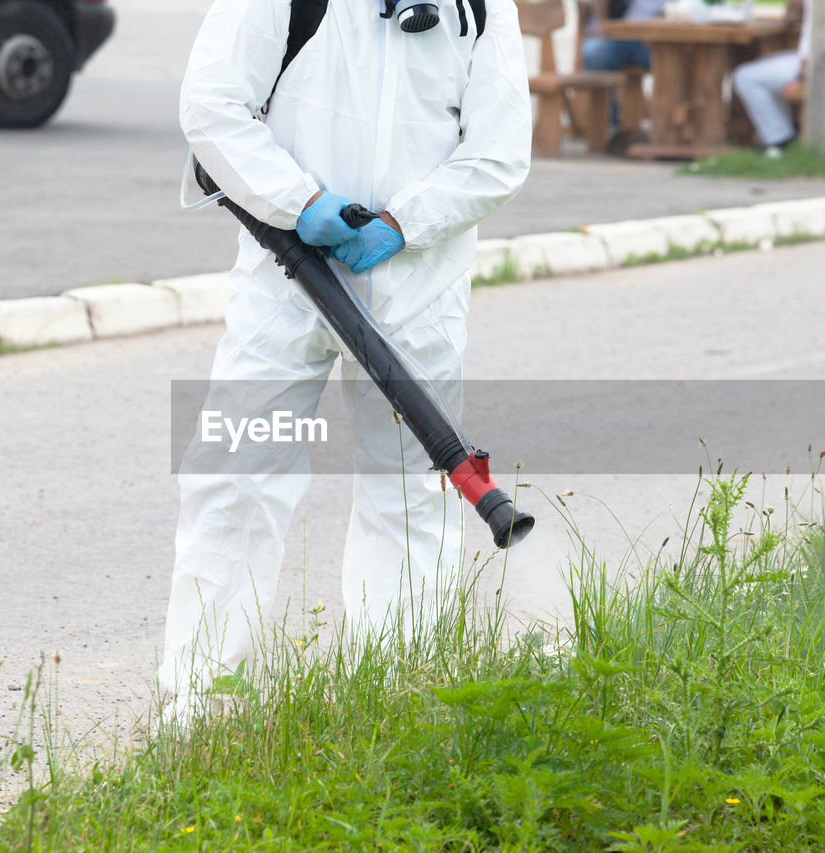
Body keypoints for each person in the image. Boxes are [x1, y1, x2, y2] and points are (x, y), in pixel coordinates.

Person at [160, 0, 532, 726]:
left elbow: (499, 152)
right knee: (237, 476)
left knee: (410, 494)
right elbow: (211, 104)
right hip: (287, 283)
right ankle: (198, 709)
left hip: (418, 292)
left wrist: (404, 223)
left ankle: (394, 705)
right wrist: (300, 202)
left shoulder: (482, 7)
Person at [732, 0, 825, 154]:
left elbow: (813, 42)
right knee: (767, 65)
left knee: (746, 77)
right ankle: (786, 132)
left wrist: (802, 78)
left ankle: (779, 140)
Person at [581, 0, 664, 129]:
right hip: (612, 35)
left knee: (675, 58)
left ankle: (673, 126)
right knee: (595, 52)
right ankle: (611, 126)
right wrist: (601, 22)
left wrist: (656, 28)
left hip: (653, 39)